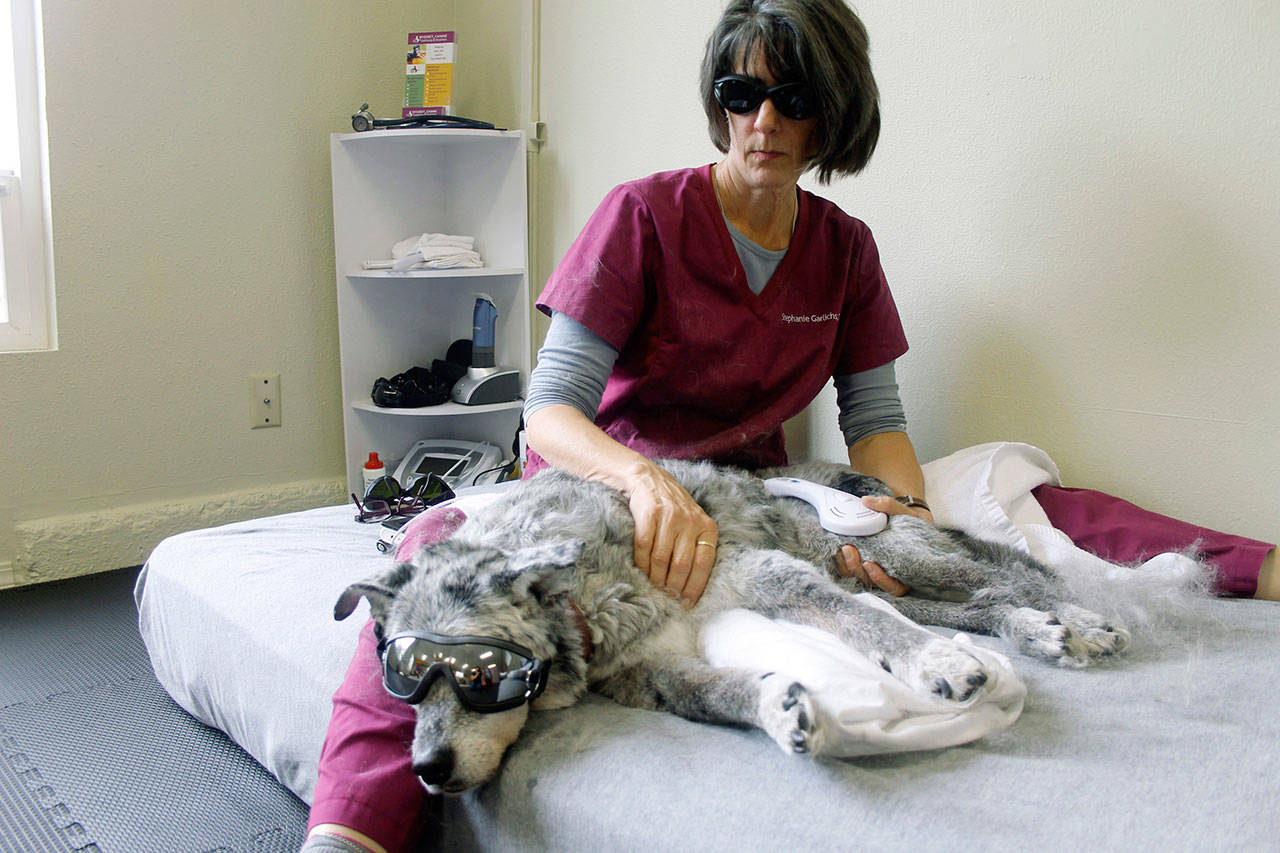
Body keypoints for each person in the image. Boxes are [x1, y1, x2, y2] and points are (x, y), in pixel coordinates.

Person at [302, 1, 926, 850]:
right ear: (718, 104)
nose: (764, 121)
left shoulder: (846, 250)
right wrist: (639, 477)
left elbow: (877, 420)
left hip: (733, 506)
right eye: (741, 94)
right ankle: (350, 827)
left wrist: (901, 513)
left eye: (795, 98)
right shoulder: (642, 216)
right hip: (592, 497)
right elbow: (548, 412)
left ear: (838, 110)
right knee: (432, 571)